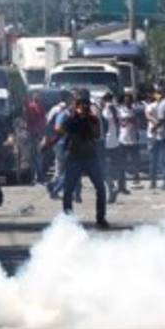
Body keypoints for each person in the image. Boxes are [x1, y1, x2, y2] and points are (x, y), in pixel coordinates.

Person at [52, 89, 108, 227]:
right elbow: (59, 131)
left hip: (90, 157)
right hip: (74, 157)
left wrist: (87, 119)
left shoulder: (92, 116)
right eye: (80, 102)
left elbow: (97, 134)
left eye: (85, 102)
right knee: (68, 190)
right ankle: (68, 220)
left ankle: (100, 218)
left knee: (100, 188)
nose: (82, 106)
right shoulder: (70, 115)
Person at [25, 91, 47, 185]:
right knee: (35, 157)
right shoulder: (31, 106)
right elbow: (31, 118)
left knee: (37, 157)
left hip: (37, 134)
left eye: (38, 95)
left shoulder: (39, 106)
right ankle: (35, 176)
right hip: (33, 134)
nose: (37, 96)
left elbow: (42, 120)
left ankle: (37, 176)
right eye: (35, 95)